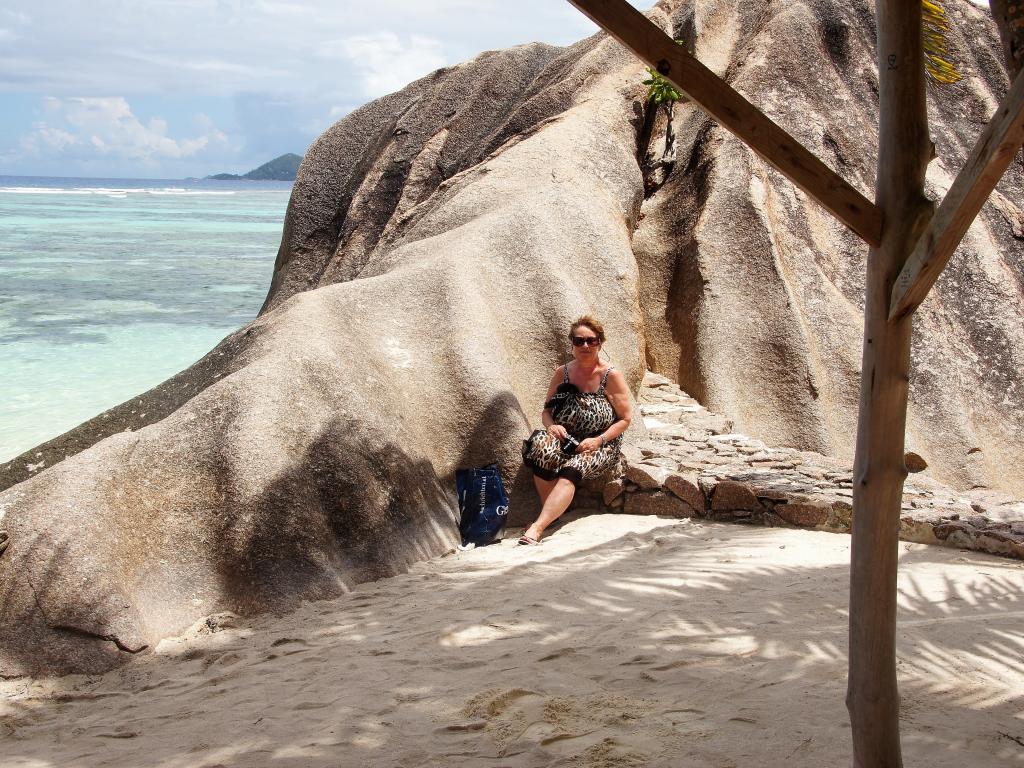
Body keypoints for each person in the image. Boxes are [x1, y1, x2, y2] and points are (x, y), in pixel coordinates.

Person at [519, 316, 633, 544]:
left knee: (573, 467)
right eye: (579, 341)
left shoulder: (610, 376)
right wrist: (552, 426)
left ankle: (539, 527)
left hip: (600, 444)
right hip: (566, 439)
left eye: (591, 341)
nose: (585, 346)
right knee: (540, 446)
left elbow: (625, 419)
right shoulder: (563, 373)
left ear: (600, 343)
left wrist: (598, 441)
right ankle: (553, 514)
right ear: (571, 343)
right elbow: (546, 411)